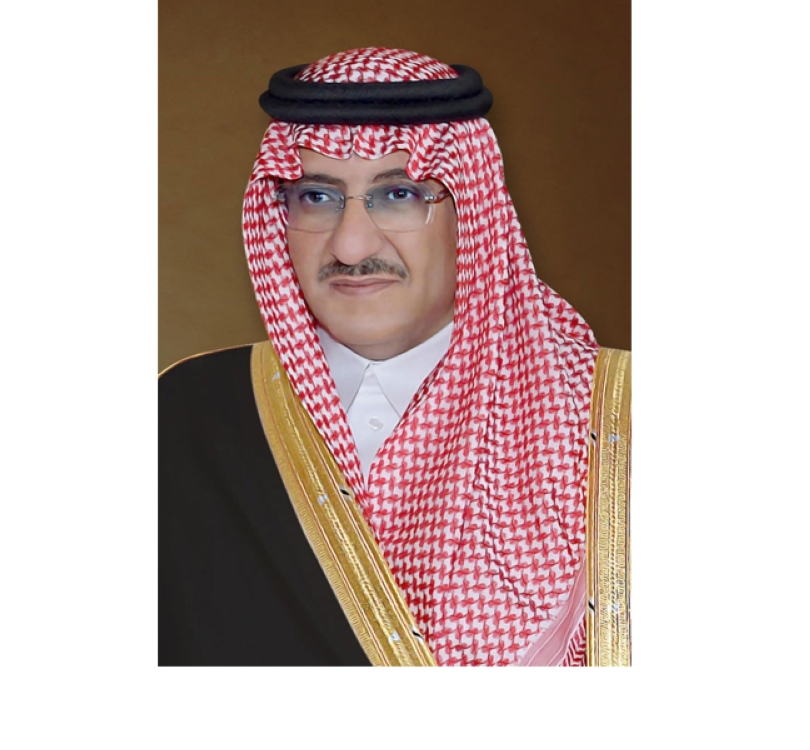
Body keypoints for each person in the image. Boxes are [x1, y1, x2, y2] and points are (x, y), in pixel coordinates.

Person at [159, 47, 630, 667]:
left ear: (473, 214)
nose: (352, 247)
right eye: (316, 197)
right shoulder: (187, 415)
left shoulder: (617, 415)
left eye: (400, 194)